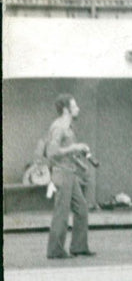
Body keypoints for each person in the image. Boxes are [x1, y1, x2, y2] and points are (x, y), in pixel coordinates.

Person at [45, 94, 96, 260]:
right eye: (75, 106)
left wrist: (81, 164)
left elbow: (67, 152)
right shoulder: (58, 127)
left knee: (81, 209)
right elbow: (52, 153)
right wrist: (74, 147)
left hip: (70, 173)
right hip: (62, 173)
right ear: (67, 110)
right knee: (62, 212)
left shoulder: (69, 127)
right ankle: (55, 251)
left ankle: (79, 247)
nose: (78, 109)